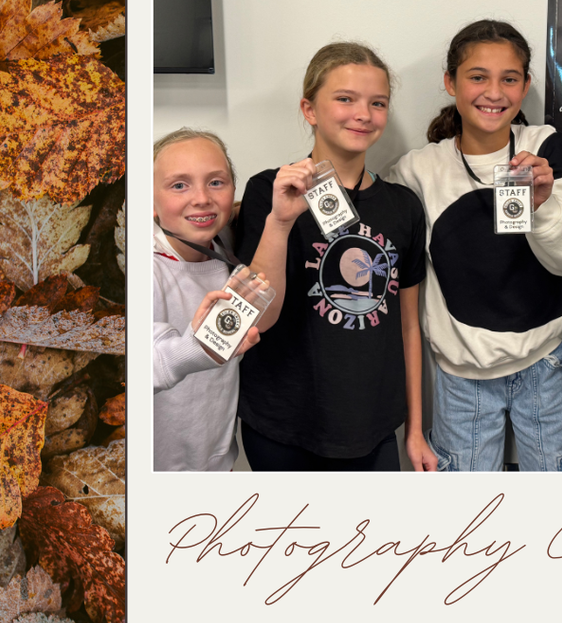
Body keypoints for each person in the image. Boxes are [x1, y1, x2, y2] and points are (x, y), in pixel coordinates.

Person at [388, 19, 562, 471]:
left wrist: (542, 205)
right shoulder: (417, 170)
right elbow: (362, 205)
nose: (494, 92)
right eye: (477, 76)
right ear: (451, 82)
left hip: (546, 362)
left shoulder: (546, 148)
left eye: (509, 78)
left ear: (525, 86)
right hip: (462, 375)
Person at [233, 42, 433, 471]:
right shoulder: (267, 191)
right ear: (309, 109)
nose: (363, 114)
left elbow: (408, 325)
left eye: (377, 103)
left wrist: (415, 430)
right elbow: (255, 313)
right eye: (345, 99)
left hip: (373, 426)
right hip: (283, 424)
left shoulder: (403, 206)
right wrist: (280, 221)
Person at [153, 130, 271, 471]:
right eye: (179, 185)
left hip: (218, 464)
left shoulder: (223, 246)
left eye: (216, 182)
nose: (202, 198)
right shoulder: (148, 268)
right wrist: (194, 349)